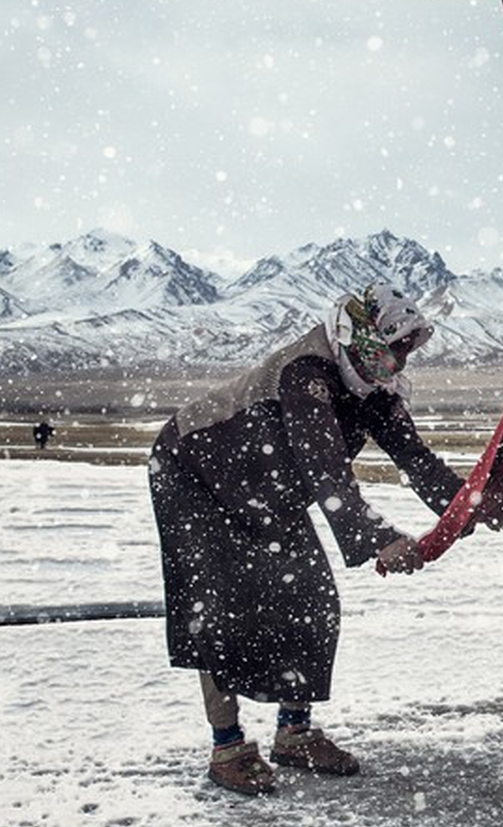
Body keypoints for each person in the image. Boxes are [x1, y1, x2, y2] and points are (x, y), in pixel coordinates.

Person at [147, 281, 462, 796]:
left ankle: (294, 735)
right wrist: (377, 537)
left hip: (267, 487)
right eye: (393, 348)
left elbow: (417, 459)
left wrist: (472, 503)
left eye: (407, 351)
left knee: (312, 597)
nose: (400, 364)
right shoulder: (308, 373)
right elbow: (324, 466)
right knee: (221, 609)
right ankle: (227, 747)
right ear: (362, 335)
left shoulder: (371, 386)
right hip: (194, 474)